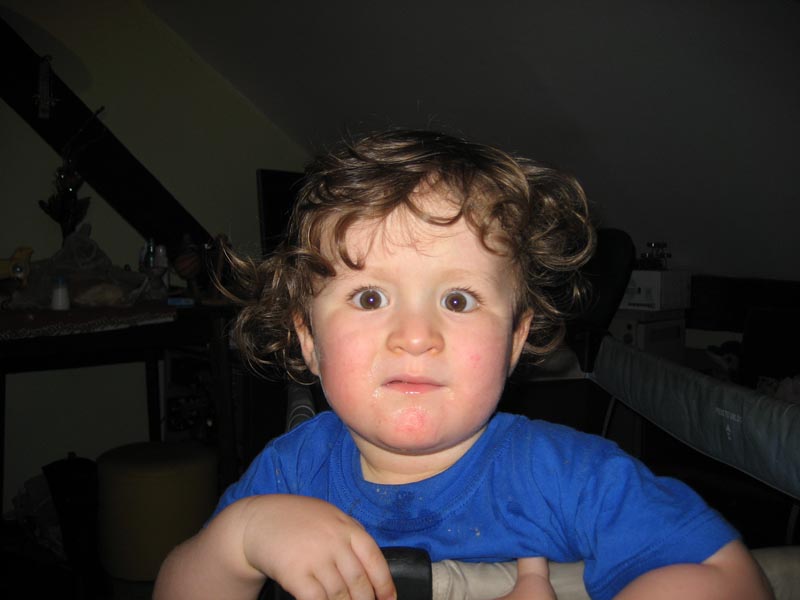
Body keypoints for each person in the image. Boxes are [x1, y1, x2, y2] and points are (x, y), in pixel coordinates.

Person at [154, 130, 771, 600]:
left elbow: (730, 578)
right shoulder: (288, 475)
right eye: (369, 298)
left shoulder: (566, 478)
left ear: (514, 340)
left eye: (457, 300)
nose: (415, 337)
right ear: (308, 339)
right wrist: (240, 539)